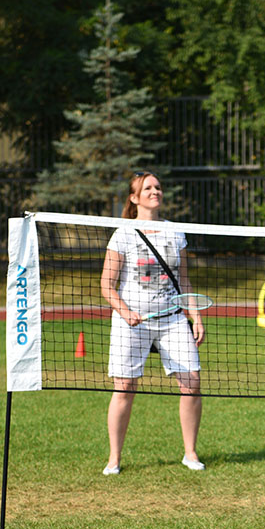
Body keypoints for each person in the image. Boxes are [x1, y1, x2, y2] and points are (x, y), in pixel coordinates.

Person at [100, 172, 207, 473]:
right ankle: (114, 459)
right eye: (147, 188)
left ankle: (190, 453)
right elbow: (107, 285)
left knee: (192, 383)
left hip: (172, 319)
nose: (155, 191)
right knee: (124, 388)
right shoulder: (122, 233)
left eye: (158, 187)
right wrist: (125, 312)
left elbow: (183, 280)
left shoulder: (176, 233)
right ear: (134, 198)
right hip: (130, 323)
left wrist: (194, 315)